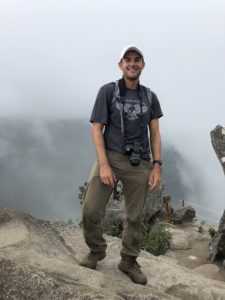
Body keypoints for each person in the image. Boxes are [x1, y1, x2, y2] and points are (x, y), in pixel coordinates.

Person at [79, 46, 163, 285]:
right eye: (128, 60)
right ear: (120, 65)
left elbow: (155, 132)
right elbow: (97, 128)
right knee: (90, 210)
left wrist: (156, 165)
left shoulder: (150, 96)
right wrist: (104, 164)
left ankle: (128, 260)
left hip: (140, 162)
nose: (132, 64)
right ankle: (97, 250)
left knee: (134, 217)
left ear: (143, 66)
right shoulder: (108, 91)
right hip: (112, 157)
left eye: (137, 60)